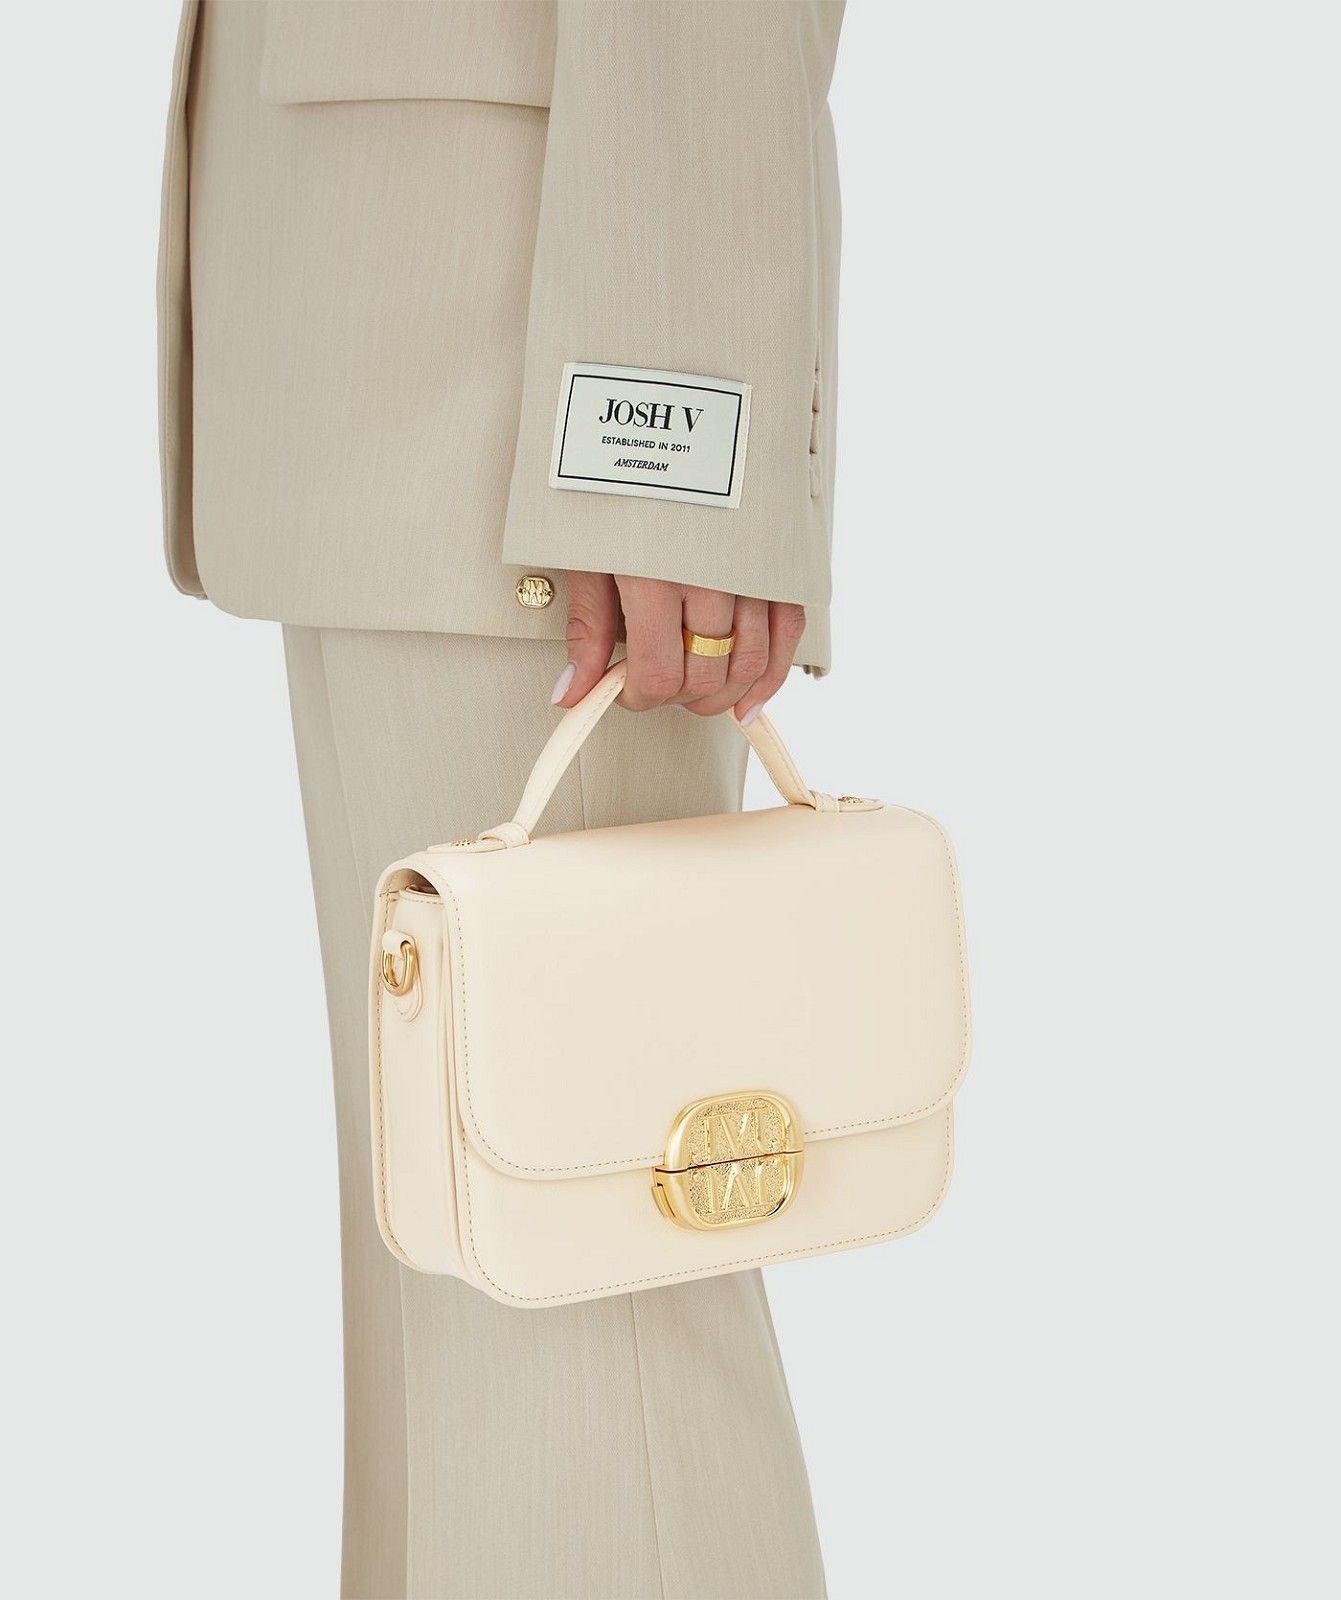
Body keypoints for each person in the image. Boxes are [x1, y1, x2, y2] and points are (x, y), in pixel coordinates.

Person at [159, 3, 844, 1595]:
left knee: (585, 1301)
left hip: (519, 388)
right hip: (386, 353)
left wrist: (663, 434)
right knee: (469, 1327)